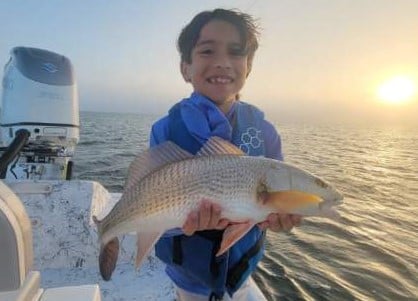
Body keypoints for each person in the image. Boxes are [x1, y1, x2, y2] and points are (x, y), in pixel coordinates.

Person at [149, 8, 301, 301]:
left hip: (242, 273)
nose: (222, 63)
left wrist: (281, 220)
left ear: (248, 67)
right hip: (188, 278)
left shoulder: (266, 133)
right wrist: (184, 222)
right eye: (207, 51)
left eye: (235, 52)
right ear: (185, 68)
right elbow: (153, 210)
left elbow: (274, 205)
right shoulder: (166, 130)